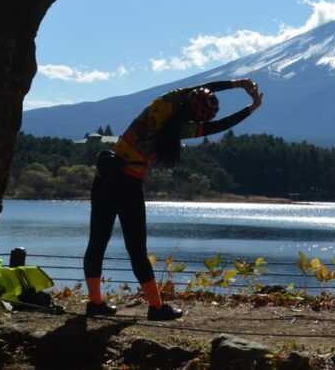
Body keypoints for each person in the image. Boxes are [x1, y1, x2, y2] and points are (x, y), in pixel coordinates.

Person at [82, 78, 263, 320]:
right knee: (137, 249)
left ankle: (95, 303)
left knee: (97, 242)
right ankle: (156, 307)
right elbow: (218, 126)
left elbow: (198, 91)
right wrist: (250, 109)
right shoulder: (182, 129)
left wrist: (236, 84)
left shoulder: (164, 104)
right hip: (129, 184)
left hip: (105, 177)